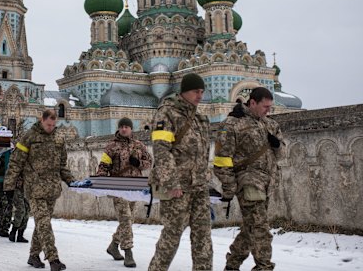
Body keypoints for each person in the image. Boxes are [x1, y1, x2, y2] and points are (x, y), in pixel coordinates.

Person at [214, 87, 285, 271]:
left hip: (267, 183)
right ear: (252, 102)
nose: (268, 110)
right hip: (248, 183)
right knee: (260, 228)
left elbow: (281, 154)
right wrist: (229, 187)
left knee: (251, 227)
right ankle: (264, 267)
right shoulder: (232, 124)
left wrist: (276, 144)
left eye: (270, 107)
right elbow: (222, 160)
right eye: (265, 106)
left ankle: (232, 263)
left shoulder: (270, 124)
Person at [148, 73, 213, 271]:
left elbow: (202, 153)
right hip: (177, 187)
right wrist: (171, 183)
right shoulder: (167, 113)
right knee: (171, 237)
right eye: (196, 91)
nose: (199, 96)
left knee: (203, 239)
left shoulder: (200, 119)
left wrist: (205, 178)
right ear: (184, 91)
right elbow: (161, 149)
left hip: (199, 187)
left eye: (202, 92)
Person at [3, 109, 76, 271]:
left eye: (53, 124)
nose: (50, 127)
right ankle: (53, 258)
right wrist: (9, 186)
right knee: (43, 222)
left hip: (52, 189)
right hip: (34, 188)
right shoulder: (29, 136)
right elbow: (16, 162)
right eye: (48, 124)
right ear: (41, 120)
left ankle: (33, 255)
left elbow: (62, 165)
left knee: (42, 224)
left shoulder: (59, 138)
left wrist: (71, 181)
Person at [96, 117, 152, 268]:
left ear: (131, 129)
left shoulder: (139, 145)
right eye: (121, 126)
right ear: (119, 128)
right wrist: (101, 181)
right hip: (118, 187)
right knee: (126, 218)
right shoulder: (111, 147)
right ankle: (128, 252)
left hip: (134, 188)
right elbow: (103, 166)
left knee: (129, 219)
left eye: (127, 126)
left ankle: (113, 246)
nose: (124, 129)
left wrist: (138, 163)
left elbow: (149, 162)